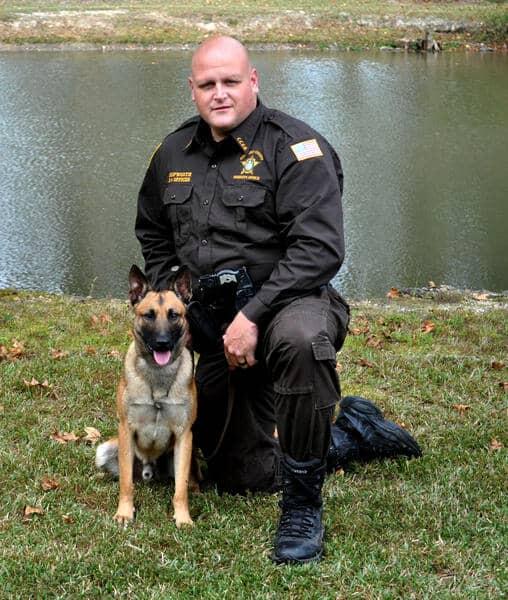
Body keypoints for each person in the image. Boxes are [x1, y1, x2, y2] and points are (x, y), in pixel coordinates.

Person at [135, 36, 420, 564]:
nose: (219, 94)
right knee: (235, 473)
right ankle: (351, 429)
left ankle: (303, 506)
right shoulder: (172, 153)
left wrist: (253, 314)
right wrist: (179, 308)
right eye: (207, 84)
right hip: (214, 325)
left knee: (301, 338)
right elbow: (152, 234)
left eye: (230, 82)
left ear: (253, 82)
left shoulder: (295, 147)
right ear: (192, 89)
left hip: (289, 302)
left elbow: (320, 249)